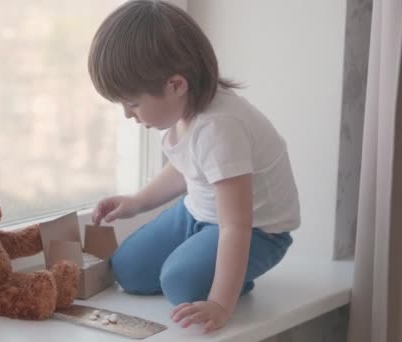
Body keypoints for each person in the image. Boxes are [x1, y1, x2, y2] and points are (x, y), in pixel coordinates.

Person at [87, 0, 300, 334]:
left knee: (180, 285)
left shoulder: (220, 127)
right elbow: (188, 168)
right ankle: (203, 263)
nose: (128, 115)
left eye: (133, 103)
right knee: (127, 269)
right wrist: (137, 201)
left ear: (175, 85)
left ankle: (235, 278)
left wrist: (219, 302)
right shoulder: (185, 110)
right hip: (200, 214)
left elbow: (236, 224)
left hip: (258, 232)